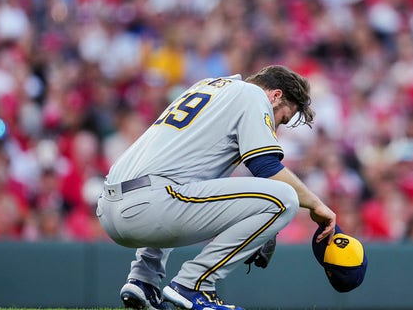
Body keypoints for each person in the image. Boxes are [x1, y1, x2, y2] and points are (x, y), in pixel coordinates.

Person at [96, 65, 337, 310]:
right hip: (150, 205)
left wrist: (251, 224)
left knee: (184, 183)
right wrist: (316, 204)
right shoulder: (253, 95)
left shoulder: (208, 86)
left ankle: (143, 280)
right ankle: (194, 285)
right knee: (285, 199)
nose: (276, 128)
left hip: (110, 206)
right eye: (283, 118)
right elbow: (264, 166)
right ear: (275, 95)